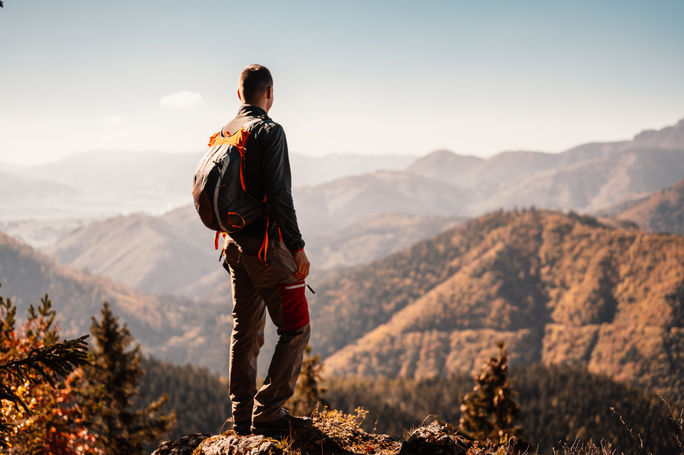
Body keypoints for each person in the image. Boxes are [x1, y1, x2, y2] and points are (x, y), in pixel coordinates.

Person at [219, 64, 311, 436]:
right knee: (296, 328)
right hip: (267, 249)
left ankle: (241, 417)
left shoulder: (225, 132)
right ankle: (268, 411)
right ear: (269, 92)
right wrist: (298, 247)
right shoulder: (270, 131)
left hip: (233, 245)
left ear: (239, 94)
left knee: (246, 328)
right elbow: (280, 197)